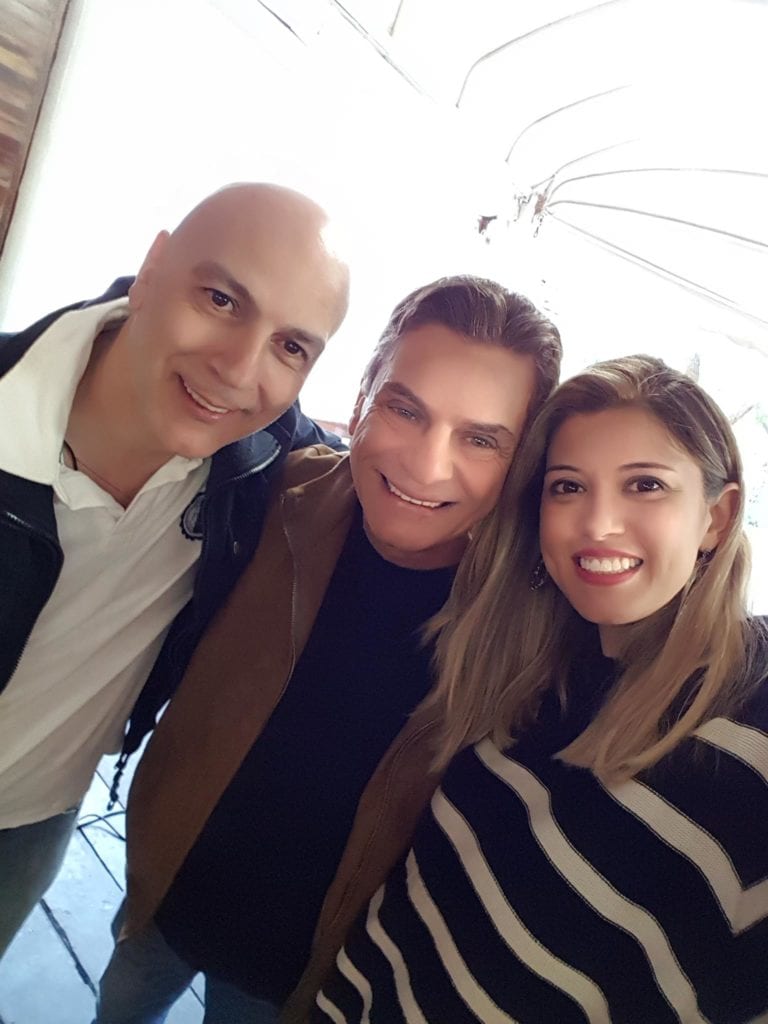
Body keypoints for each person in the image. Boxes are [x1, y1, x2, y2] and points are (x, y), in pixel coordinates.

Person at [93, 275, 563, 1022]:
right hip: (165, 884)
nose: (426, 465)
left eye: (480, 439)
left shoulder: (526, 628)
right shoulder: (273, 491)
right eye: (405, 409)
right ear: (363, 395)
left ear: (521, 466)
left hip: (310, 968)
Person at [314, 354, 768, 1024]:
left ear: (717, 518)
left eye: (645, 485)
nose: (598, 523)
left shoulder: (749, 722)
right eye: (568, 487)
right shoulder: (531, 667)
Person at [0, 182, 351, 958]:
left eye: (291, 347)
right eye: (222, 300)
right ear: (153, 266)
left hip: (36, 817)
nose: (238, 369)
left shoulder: (255, 463)